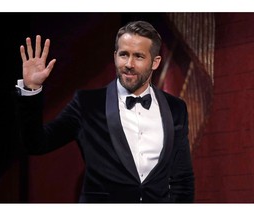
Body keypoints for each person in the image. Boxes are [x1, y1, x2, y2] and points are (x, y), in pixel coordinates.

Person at [15, 20, 195, 203]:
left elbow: (182, 178)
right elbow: (36, 143)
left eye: (139, 56)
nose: (129, 64)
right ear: (115, 56)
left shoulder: (175, 108)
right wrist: (31, 90)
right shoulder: (87, 104)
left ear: (155, 62)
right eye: (124, 55)